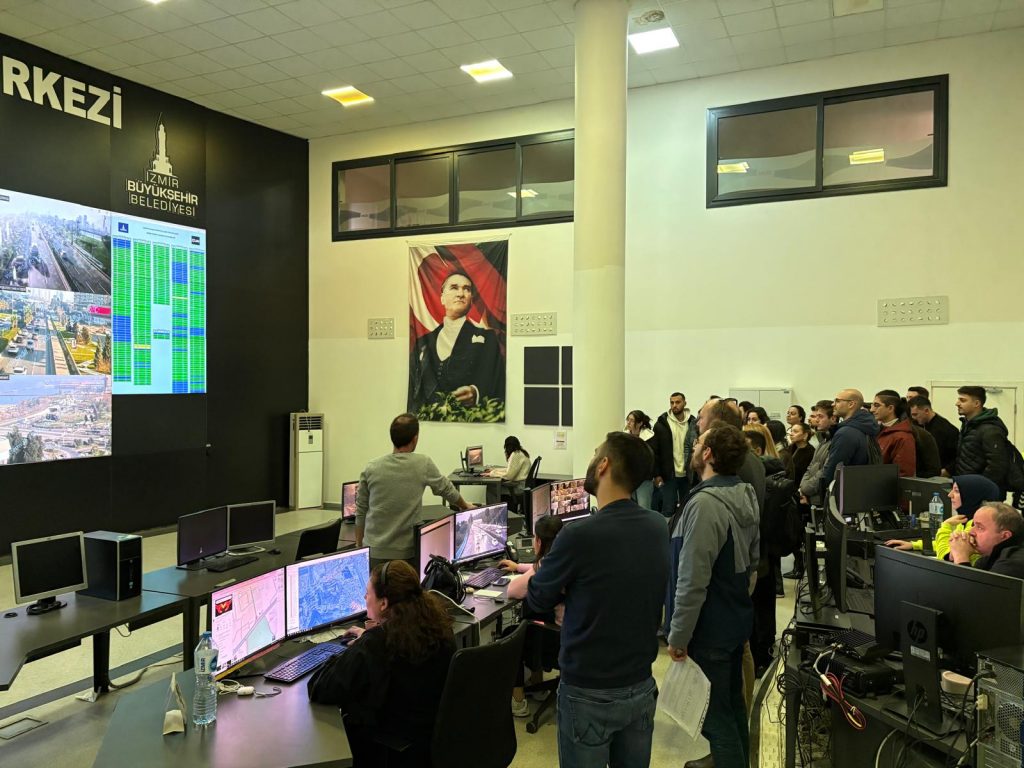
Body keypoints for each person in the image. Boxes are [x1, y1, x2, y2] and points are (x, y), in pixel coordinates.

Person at [527, 431, 669, 768]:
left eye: (594, 455)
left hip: (587, 692)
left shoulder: (578, 535)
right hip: (640, 684)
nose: (591, 462)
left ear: (603, 465)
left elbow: (536, 598)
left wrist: (564, 586)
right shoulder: (657, 526)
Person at [668, 424, 760, 768]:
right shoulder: (744, 492)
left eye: (698, 443)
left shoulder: (705, 504)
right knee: (732, 707)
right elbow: (752, 563)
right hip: (734, 617)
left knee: (716, 719)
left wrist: (678, 635)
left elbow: (692, 580)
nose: (694, 446)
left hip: (710, 627)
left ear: (708, 454)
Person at [308, 560, 456, 765]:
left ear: (384, 603)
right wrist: (369, 638)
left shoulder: (377, 644)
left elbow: (321, 688)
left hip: (390, 750)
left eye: (367, 593)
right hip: (431, 744)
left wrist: (353, 650)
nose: (364, 598)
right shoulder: (440, 628)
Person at [356, 413, 474, 568]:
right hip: (406, 556)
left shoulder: (371, 467)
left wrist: (359, 548)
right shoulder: (422, 463)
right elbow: (447, 489)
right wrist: (465, 505)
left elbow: (361, 511)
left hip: (374, 553)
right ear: (415, 438)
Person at [407, 270, 504, 413]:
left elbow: (496, 379)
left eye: (467, 289)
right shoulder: (423, 342)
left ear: (471, 300)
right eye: (454, 288)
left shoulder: (488, 339)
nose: (461, 294)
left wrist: (476, 392)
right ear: (442, 298)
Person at [498, 514, 564, 716]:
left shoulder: (546, 568)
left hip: (557, 638)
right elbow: (538, 568)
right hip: (573, 632)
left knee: (511, 634)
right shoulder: (565, 560)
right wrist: (519, 567)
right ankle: (538, 686)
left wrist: (523, 571)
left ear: (539, 542)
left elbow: (513, 591)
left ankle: (518, 701)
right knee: (536, 613)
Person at [885, 474, 1001, 563]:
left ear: (972, 497)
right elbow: (949, 543)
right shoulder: (965, 520)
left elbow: (947, 557)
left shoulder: (975, 527)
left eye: (956, 491)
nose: (950, 495)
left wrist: (945, 526)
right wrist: (914, 545)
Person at [787, 401, 837, 579]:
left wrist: (805, 489)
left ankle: (812, 573)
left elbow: (824, 471)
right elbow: (811, 469)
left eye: (819, 416)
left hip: (814, 497)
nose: (814, 419)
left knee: (814, 540)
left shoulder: (822, 445)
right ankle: (803, 569)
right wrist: (803, 488)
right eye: (814, 416)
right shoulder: (822, 442)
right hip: (804, 495)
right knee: (801, 536)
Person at [820, 389, 879, 495]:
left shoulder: (846, 433)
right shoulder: (865, 426)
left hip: (844, 493)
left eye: (837, 401)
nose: (833, 404)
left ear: (851, 404)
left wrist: (823, 490)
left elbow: (834, 469)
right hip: (859, 490)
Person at [954, 386, 1011, 492]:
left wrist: (981, 488)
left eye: (963, 400)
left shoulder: (990, 429)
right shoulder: (968, 425)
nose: (957, 403)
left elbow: (997, 466)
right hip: (966, 486)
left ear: (976, 403)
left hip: (981, 491)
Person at [949, 502, 1024, 579]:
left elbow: (969, 586)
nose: (971, 532)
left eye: (980, 527)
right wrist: (954, 557)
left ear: (1005, 536)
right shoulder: (987, 558)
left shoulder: (1014, 563)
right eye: (973, 525)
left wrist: (961, 557)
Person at [653, 392, 697, 518]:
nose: (674, 405)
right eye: (672, 402)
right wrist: (657, 474)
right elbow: (655, 451)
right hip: (669, 474)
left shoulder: (693, 423)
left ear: (684, 403)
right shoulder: (661, 424)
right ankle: (667, 531)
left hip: (688, 473)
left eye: (677, 402)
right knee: (668, 509)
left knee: (687, 508)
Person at [870, 390, 916, 478]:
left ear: (890, 408)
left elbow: (903, 473)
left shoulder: (902, 437)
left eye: (877, 405)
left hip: (886, 484)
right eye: (872, 405)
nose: (871, 410)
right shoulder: (876, 431)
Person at [909, 396, 959, 476]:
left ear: (926, 411)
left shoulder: (947, 429)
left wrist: (947, 471)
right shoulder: (918, 425)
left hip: (939, 475)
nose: (913, 418)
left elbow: (957, 456)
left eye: (915, 414)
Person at [626, 409, 658, 510]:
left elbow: (653, 459)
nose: (628, 423)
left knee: (644, 507)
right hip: (628, 479)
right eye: (628, 420)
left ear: (640, 423)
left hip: (644, 479)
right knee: (630, 508)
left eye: (632, 420)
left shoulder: (649, 437)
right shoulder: (625, 436)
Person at [788, 421, 815, 488]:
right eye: (791, 431)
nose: (791, 434)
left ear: (805, 435)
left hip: (801, 487)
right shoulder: (789, 448)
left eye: (795, 431)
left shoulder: (811, 452)